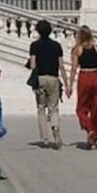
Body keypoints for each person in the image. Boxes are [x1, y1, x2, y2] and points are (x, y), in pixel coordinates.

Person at [28, 20, 65, 148]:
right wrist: (67, 82)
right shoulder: (56, 45)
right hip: (54, 78)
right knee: (53, 107)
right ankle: (55, 126)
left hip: (40, 79)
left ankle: (45, 138)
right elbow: (61, 65)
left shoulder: (34, 45)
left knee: (41, 108)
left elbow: (33, 65)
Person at [69, 26, 97, 150]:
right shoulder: (96, 48)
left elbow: (74, 68)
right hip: (96, 77)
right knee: (94, 109)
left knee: (81, 108)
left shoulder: (77, 49)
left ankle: (89, 128)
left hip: (84, 76)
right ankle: (94, 137)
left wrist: (70, 84)